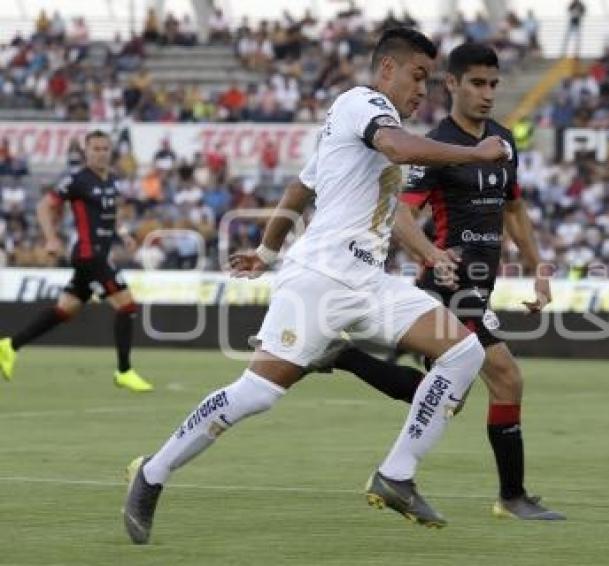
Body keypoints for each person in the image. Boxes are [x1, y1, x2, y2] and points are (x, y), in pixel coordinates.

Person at [121, 28, 510, 544]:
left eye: (429, 81)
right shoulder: (361, 103)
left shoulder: (351, 125)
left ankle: (396, 474)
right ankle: (153, 472)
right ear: (387, 70)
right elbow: (394, 148)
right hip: (321, 279)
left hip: (368, 282)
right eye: (418, 76)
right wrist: (477, 154)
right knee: (257, 393)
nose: (424, 90)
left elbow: (301, 186)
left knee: (463, 353)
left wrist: (265, 249)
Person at [319, 43, 564, 520]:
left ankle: (343, 355)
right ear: (450, 84)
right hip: (447, 285)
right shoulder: (435, 145)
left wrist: (539, 269)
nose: (487, 93)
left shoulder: (502, 141)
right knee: (506, 377)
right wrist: (431, 254)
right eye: (476, 83)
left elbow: (514, 210)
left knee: (437, 393)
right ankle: (511, 498)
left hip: (480, 286)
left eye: (493, 84)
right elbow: (401, 215)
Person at [0, 131, 153, 392]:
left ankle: (10, 346)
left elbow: (110, 214)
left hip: (99, 254)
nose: (101, 153)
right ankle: (124, 371)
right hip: (87, 254)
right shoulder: (77, 181)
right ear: (86, 151)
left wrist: (124, 234)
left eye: (105, 148)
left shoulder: (112, 180)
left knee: (64, 310)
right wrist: (50, 238)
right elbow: (44, 206)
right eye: (95, 149)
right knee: (126, 307)